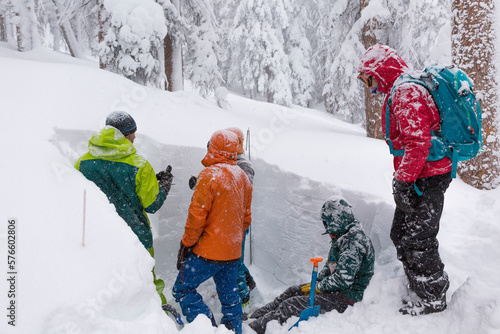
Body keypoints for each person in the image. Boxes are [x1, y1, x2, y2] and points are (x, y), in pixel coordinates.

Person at [358, 44, 452, 316]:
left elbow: (418, 143)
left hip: (429, 176)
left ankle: (433, 298)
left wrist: (403, 181)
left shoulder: (405, 92)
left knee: (418, 240)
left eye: (370, 79)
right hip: (420, 175)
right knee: (401, 233)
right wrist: (405, 180)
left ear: (382, 71)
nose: (371, 87)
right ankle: (418, 285)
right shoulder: (400, 89)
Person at [75, 111, 173, 306]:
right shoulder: (139, 165)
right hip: (136, 235)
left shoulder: (82, 163)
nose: (135, 137)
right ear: (123, 135)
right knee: (147, 282)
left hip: (99, 236)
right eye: (132, 133)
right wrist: (163, 186)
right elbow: (152, 204)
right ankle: (159, 317)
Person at [248, 199, 374, 334]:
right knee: (292, 291)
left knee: (291, 305)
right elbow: (331, 264)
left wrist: (318, 287)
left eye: (327, 224)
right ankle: (254, 317)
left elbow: (343, 279)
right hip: (336, 290)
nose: (326, 228)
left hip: (347, 298)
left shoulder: (354, 242)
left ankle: (252, 329)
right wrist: (317, 281)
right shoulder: (341, 235)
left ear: (337, 221)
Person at [172, 129, 253, 334]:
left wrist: (187, 244)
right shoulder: (242, 177)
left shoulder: (209, 175)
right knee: (230, 297)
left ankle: (206, 328)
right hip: (233, 252)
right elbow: (246, 219)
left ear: (213, 148)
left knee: (182, 289)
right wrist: (230, 240)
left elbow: (196, 218)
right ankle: (233, 330)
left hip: (207, 252)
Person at [225, 127, 256, 308]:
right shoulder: (230, 160)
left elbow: (240, 191)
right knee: (234, 261)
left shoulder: (244, 165)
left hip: (238, 223)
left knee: (234, 263)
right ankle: (249, 283)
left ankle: (243, 301)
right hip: (228, 221)